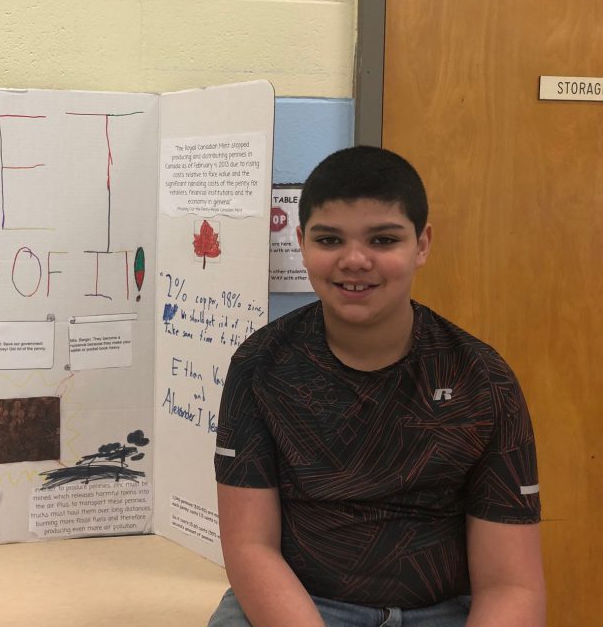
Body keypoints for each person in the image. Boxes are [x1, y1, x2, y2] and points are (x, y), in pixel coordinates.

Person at [209, 146, 544, 626]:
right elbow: (249, 547)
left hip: (443, 612)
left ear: (422, 244)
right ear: (301, 243)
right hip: (298, 605)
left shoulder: (482, 379)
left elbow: (511, 585)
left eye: (383, 240)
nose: (355, 260)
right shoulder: (260, 366)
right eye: (329, 240)